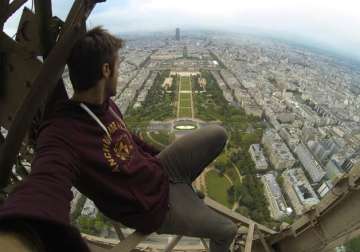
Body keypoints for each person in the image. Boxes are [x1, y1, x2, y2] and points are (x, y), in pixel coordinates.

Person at [0, 27, 237, 252]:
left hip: (160, 172)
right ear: (106, 70)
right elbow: (44, 186)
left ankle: (183, 186)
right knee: (227, 230)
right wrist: (15, 237)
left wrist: (168, 159)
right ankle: (184, 196)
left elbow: (128, 140)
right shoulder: (61, 134)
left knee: (218, 134)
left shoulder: (106, 105)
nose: (119, 72)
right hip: (151, 206)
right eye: (118, 65)